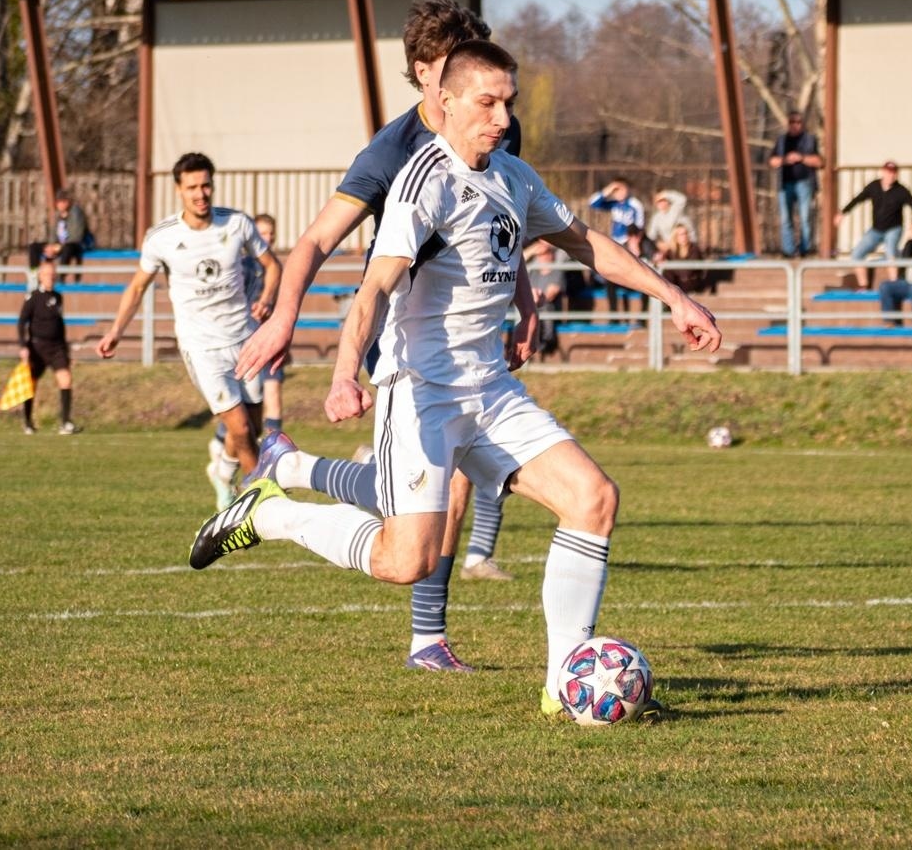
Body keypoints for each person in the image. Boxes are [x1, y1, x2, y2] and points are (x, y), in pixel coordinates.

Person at [190, 39, 723, 719]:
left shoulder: (514, 176)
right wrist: (346, 372)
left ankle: (564, 678)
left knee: (593, 498)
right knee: (405, 560)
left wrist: (673, 297)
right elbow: (375, 288)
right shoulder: (423, 181)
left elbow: (586, 243)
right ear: (445, 103)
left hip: (492, 389)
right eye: (488, 102)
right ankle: (271, 512)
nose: (502, 117)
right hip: (422, 392)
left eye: (508, 103)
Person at [229, 0, 534, 672]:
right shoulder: (392, 150)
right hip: (397, 334)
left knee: (422, 495)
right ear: (427, 72)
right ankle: (426, 638)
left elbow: (505, 224)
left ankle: (290, 467)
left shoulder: (498, 128)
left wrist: (525, 301)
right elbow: (313, 240)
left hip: (468, 339)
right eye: (456, 65)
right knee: (441, 488)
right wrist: (283, 317)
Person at [96, 152, 280, 509]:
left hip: (244, 339)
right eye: (192, 187)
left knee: (252, 428)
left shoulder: (237, 224)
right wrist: (117, 330)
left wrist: (268, 298)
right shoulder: (162, 237)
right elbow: (137, 287)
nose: (201, 194)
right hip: (202, 347)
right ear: (179, 190)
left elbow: (273, 266)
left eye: (206, 185)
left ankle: (223, 471)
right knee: (240, 428)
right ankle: (263, 500)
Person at [208, 212, 286, 503]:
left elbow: (282, 307)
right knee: (245, 418)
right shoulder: (240, 267)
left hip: (269, 342)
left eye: (270, 235)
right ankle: (235, 465)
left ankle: (232, 469)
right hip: (242, 346)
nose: (265, 240)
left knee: (269, 403)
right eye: (261, 234)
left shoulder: (274, 268)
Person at [833, 161, 912, 289]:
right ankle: (863, 286)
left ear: (896, 175)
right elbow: (858, 199)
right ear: (883, 172)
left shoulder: (901, 191)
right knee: (857, 254)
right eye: (888, 172)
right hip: (876, 229)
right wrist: (843, 213)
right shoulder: (874, 186)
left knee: (891, 252)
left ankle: (894, 285)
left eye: (893, 173)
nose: (890, 176)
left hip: (893, 229)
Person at [16, 258, 79, 435]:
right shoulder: (33, 297)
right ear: (40, 276)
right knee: (31, 384)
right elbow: (21, 322)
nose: (51, 277)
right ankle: (28, 422)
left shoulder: (58, 297)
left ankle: (65, 423)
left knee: (65, 379)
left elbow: (60, 324)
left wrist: (66, 350)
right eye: (47, 274)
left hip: (56, 347)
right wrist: (23, 346)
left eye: (53, 274)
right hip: (37, 347)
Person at [588, 177, 646, 311]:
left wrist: (634, 241)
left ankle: (640, 315)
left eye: (621, 189)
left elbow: (640, 226)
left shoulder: (635, 204)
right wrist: (608, 190)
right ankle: (613, 315)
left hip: (629, 243)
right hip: (615, 242)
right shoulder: (614, 204)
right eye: (616, 190)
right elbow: (592, 203)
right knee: (609, 276)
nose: (619, 193)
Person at [769, 110, 821, 257]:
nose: (795, 125)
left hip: (804, 183)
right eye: (792, 122)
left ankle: (806, 248)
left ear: (802, 124)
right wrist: (785, 159)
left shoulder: (810, 140)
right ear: (788, 123)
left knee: (805, 218)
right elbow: (772, 161)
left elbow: (819, 161)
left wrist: (801, 157)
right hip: (785, 185)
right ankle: (788, 250)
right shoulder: (781, 141)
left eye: (798, 122)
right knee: (786, 219)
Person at [27, 188, 89, 269]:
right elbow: (53, 233)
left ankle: (61, 276)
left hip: (74, 245)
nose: (58, 204)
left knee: (68, 248)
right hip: (58, 245)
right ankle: (34, 274)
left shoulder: (76, 213)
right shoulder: (58, 215)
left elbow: (76, 237)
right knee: (34, 247)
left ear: (67, 202)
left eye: (61, 202)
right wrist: (50, 246)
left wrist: (58, 247)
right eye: (58, 202)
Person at [657, 222, 708, 295]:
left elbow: (687, 271)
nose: (684, 236)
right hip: (676, 284)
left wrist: (671, 266)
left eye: (686, 233)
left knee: (670, 271)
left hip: (691, 283)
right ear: (675, 237)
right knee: (666, 273)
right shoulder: (672, 251)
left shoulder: (694, 249)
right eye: (681, 234)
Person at [645, 190, 693, 254]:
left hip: (684, 246)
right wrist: (658, 244)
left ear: (667, 200)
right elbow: (651, 236)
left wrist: (664, 194)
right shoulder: (656, 218)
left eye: (663, 200)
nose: (661, 204)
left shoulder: (675, 209)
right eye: (659, 202)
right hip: (669, 248)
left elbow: (682, 199)